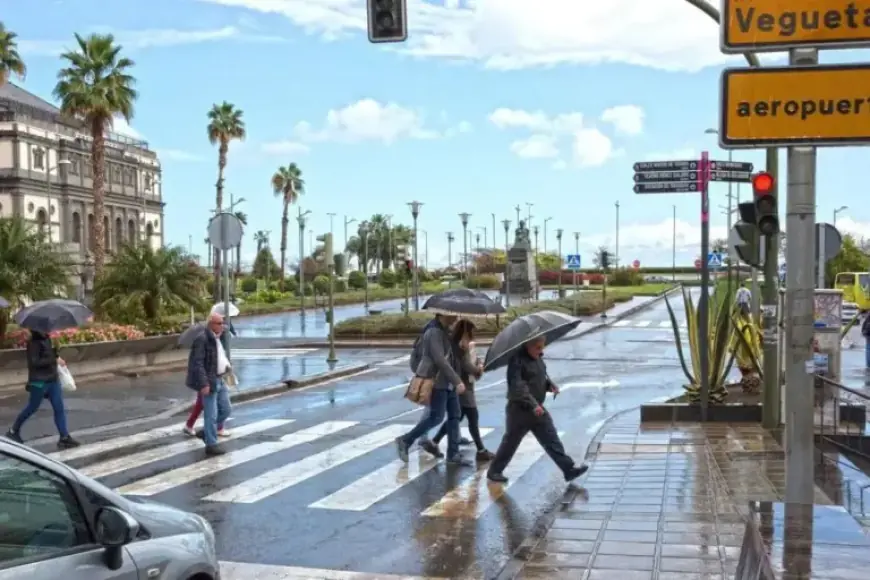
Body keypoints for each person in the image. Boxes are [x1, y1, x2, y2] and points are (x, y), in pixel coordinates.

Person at [487, 336, 587, 484]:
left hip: (537, 409)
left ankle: (568, 469)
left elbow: (538, 378)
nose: (541, 351)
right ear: (528, 345)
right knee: (511, 442)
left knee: (551, 438)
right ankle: (494, 471)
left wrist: (549, 385)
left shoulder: (537, 358)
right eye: (538, 347)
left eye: (543, 347)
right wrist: (534, 405)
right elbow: (518, 388)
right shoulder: (517, 361)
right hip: (520, 410)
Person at [395, 314, 472, 466]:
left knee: (455, 416)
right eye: (452, 315)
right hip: (437, 381)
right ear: (443, 314)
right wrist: (457, 381)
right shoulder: (433, 332)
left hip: (448, 381)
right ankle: (405, 440)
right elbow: (439, 360)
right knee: (436, 417)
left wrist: (462, 347)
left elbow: (451, 356)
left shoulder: (446, 331)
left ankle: (453, 454)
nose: (455, 317)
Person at [421, 320, 494, 461]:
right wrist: (478, 369)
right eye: (472, 333)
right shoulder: (460, 348)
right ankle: (481, 450)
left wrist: (477, 360)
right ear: (466, 332)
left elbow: (470, 360)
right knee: (473, 418)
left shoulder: (455, 345)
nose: (474, 336)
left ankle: (434, 441)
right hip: (463, 388)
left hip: (458, 387)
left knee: (456, 418)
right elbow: (467, 366)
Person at [5, 330, 79, 449]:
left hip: (52, 379)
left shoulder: (47, 338)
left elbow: (48, 355)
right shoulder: (33, 343)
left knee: (59, 407)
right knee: (32, 407)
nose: (49, 328)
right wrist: (53, 359)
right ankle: (13, 431)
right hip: (39, 382)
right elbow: (35, 362)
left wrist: (56, 355)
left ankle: (64, 437)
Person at [185, 313, 233, 456]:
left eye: (223, 323)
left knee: (226, 409)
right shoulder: (203, 339)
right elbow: (197, 363)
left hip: (220, 378)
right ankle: (211, 445)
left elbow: (220, 357)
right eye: (219, 323)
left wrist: (228, 368)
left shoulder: (218, 338)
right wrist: (204, 383)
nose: (222, 326)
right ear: (211, 324)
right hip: (209, 381)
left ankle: (207, 431)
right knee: (211, 415)